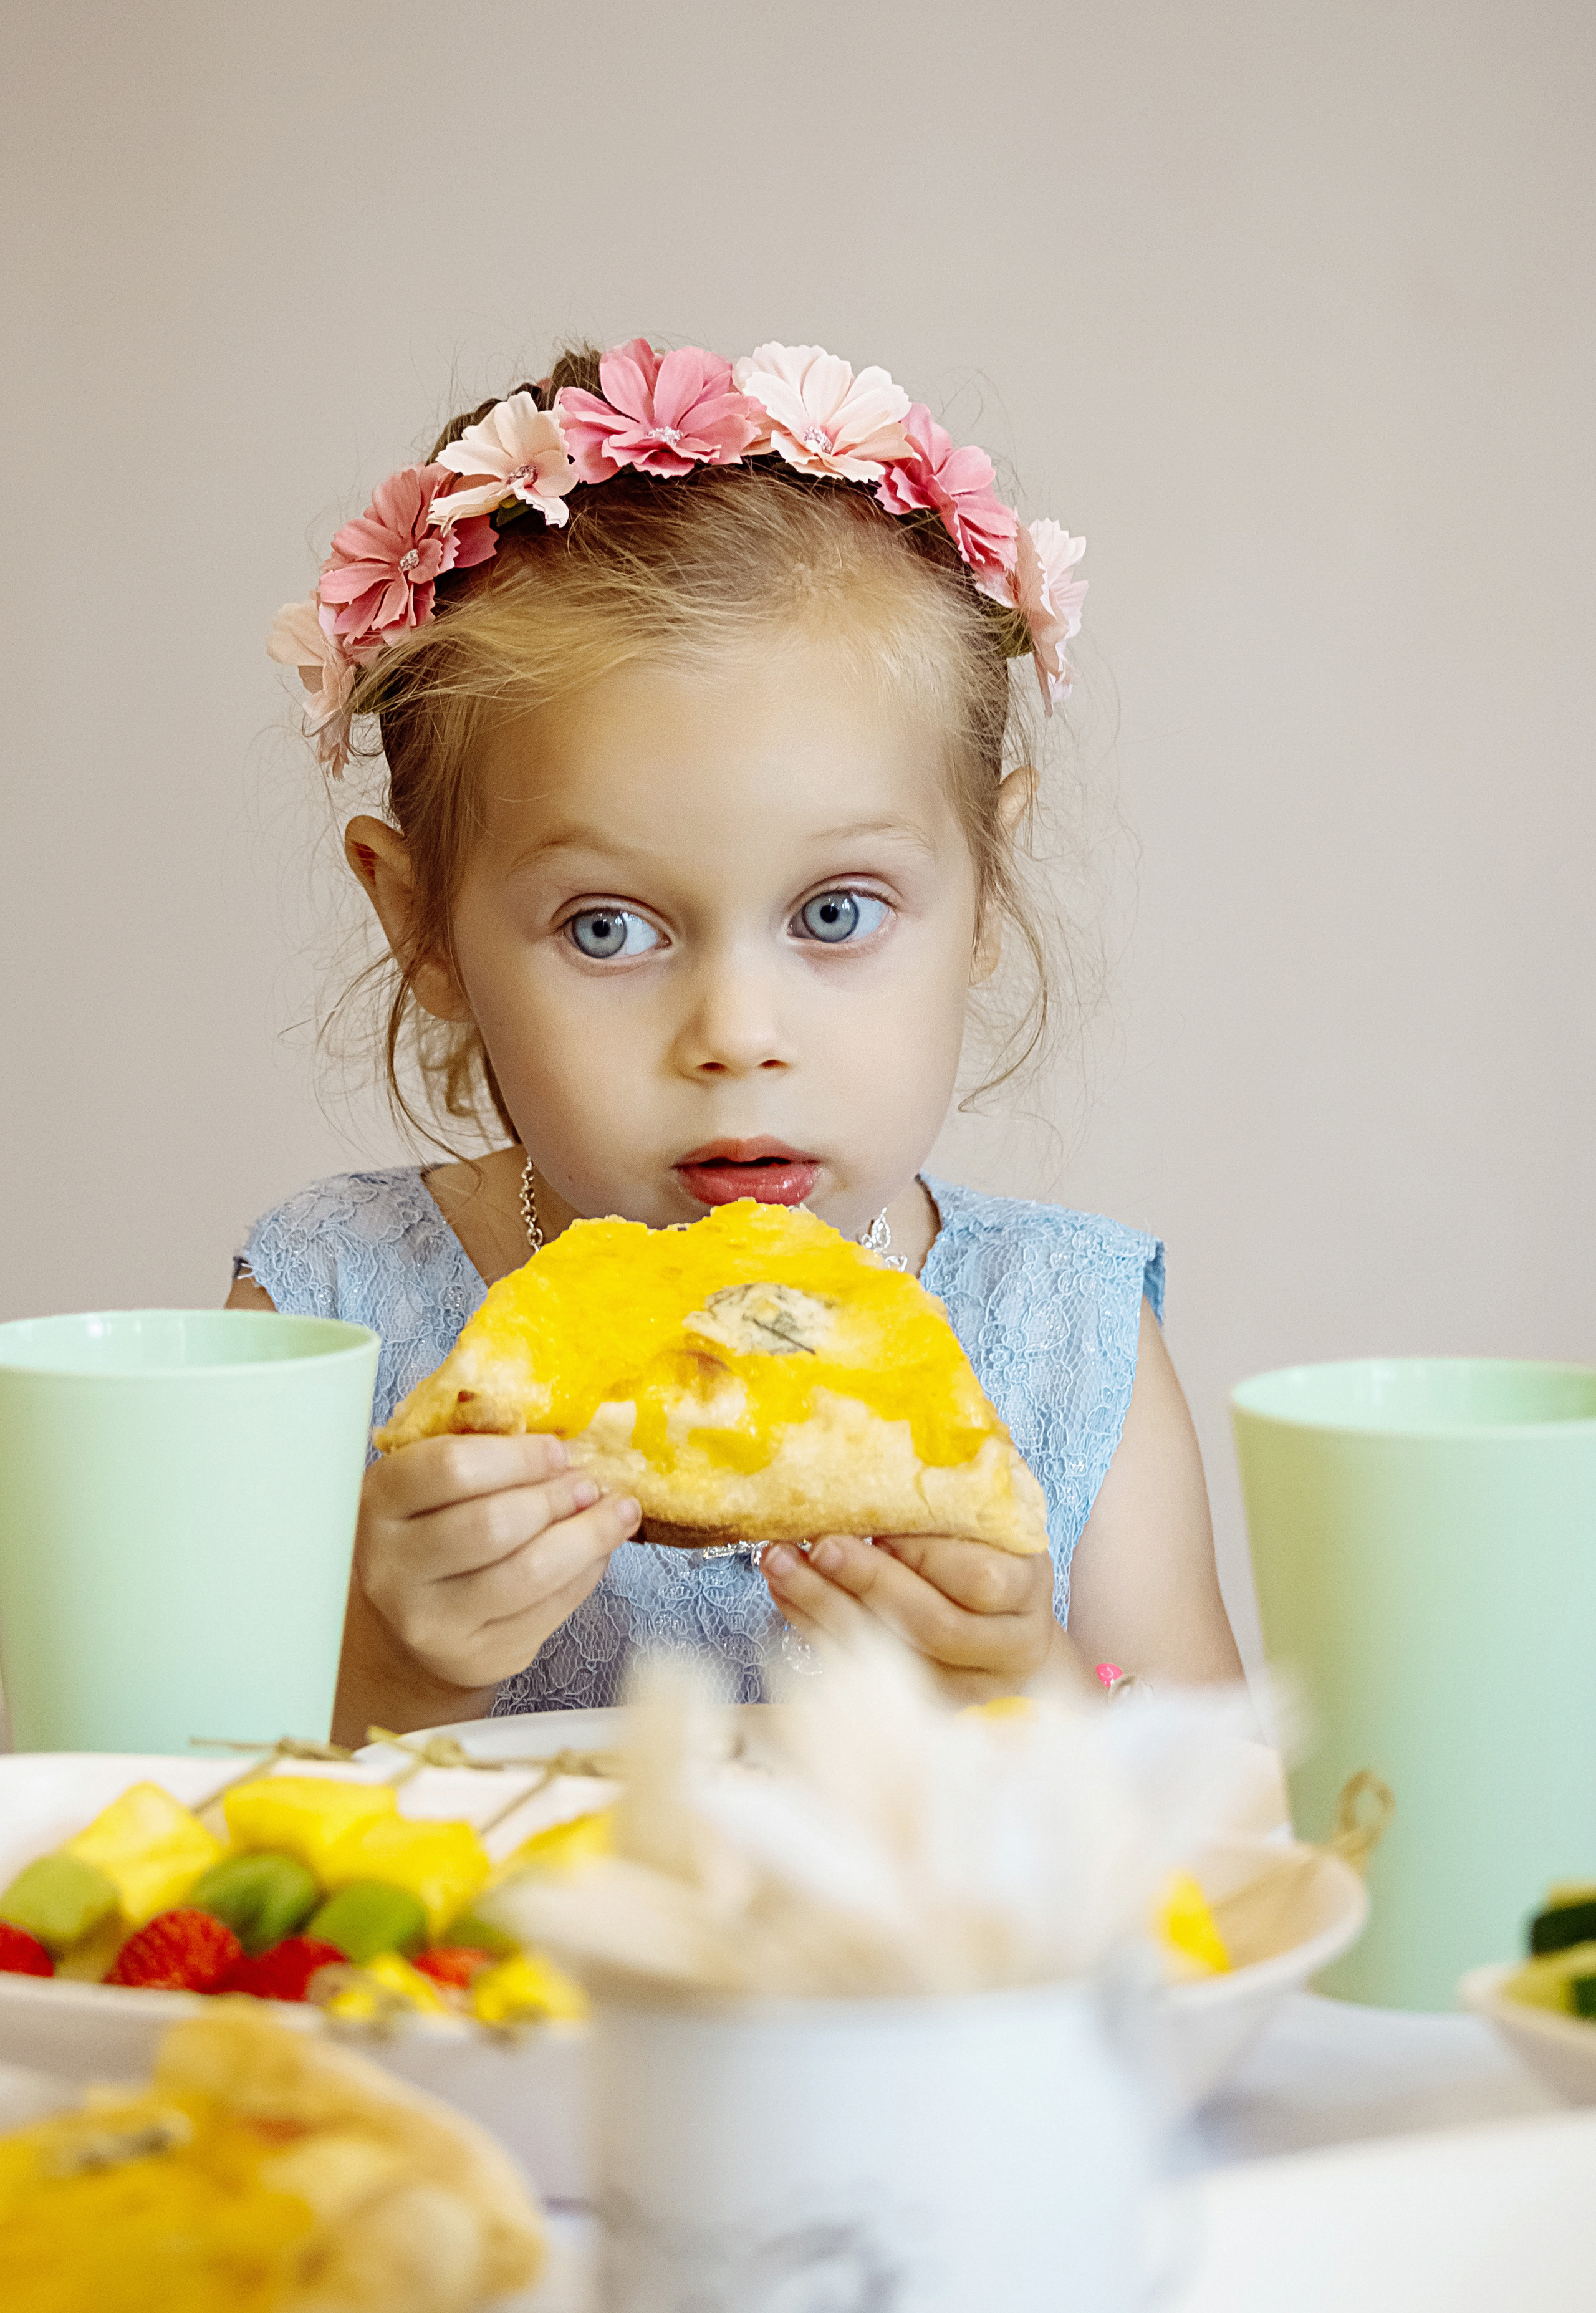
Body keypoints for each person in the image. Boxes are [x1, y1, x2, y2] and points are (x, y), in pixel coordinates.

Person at [234, 337, 1241, 1743]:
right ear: (424, 927)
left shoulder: (1067, 1345)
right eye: (606, 929)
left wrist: (1032, 1697)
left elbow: (1222, 1849)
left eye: (834, 911)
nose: (736, 1038)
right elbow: (150, 1831)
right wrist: (383, 1674)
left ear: (982, 896)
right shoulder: (327, 1325)